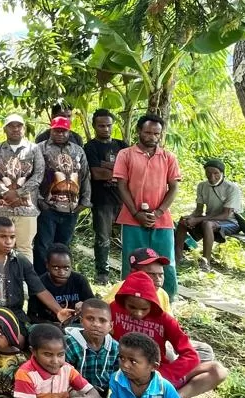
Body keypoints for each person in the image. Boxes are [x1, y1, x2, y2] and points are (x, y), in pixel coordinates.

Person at [112, 271, 229, 398]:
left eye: (144, 309)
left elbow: (190, 355)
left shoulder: (164, 320)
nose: (138, 313)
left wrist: (163, 374)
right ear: (123, 301)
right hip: (126, 374)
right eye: (132, 307)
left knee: (217, 370)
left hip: (158, 374)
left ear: (153, 304)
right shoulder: (113, 309)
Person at [113, 114, 181, 297]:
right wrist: (135, 213)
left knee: (166, 261)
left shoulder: (168, 157)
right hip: (132, 218)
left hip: (162, 219)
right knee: (133, 260)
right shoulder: (125, 154)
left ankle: (166, 301)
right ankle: (129, 298)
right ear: (139, 131)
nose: (151, 137)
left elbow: (174, 187)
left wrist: (158, 212)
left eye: (156, 133)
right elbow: (121, 185)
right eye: (147, 132)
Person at [0, 215, 64, 332]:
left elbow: (39, 289)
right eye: (3, 236)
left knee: (18, 338)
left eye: (12, 237)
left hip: (12, 312)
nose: (8, 241)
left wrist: (59, 311)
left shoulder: (20, 260)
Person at [33, 115, 91, 274]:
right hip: (48, 206)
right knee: (44, 245)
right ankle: (42, 278)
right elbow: (33, 176)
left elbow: (85, 175)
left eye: (63, 131)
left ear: (68, 131)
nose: (60, 134)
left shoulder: (77, 150)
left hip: (72, 208)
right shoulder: (40, 148)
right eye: (56, 131)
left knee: (64, 245)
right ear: (51, 130)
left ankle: (60, 276)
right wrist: (39, 200)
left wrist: (85, 201)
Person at [0, 113, 44, 262]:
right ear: (5, 129)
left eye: (19, 126)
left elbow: (38, 175)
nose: (15, 129)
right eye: (11, 126)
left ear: (23, 128)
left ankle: (24, 283)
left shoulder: (34, 149)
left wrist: (18, 193)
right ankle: (1, 280)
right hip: (1, 208)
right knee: (0, 247)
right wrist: (6, 192)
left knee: (24, 248)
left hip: (27, 208)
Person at [176, 158, 245, 271]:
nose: (212, 177)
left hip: (230, 222)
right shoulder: (202, 186)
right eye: (208, 173)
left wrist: (198, 220)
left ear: (222, 173)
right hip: (210, 219)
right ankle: (178, 257)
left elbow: (225, 215)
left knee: (207, 224)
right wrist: (191, 217)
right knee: (183, 220)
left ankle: (205, 262)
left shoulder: (232, 188)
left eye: (216, 173)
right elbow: (199, 210)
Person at [84, 109, 128, 285]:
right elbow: (97, 174)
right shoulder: (90, 147)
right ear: (94, 126)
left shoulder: (122, 145)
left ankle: (130, 273)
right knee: (103, 238)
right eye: (101, 126)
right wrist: (118, 169)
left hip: (124, 199)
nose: (105, 129)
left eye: (108, 125)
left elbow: (131, 171)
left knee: (128, 238)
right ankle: (102, 273)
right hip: (102, 200)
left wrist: (106, 166)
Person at [63, 298, 119, 398]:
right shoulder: (70, 344)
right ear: (81, 321)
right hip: (77, 392)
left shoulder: (115, 347)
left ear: (110, 326)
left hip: (106, 393)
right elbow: (63, 376)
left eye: (102, 320)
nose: (96, 324)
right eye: (90, 319)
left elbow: (117, 376)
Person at [32, 243, 95, 325]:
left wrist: (85, 305)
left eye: (66, 268)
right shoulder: (40, 283)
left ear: (71, 266)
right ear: (47, 265)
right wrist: (51, 325)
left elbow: (94, 306)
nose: (62, 273)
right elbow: (32, 316)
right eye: (56, 268)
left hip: (77, 325)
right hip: (49, 327)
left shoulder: (79, 280)